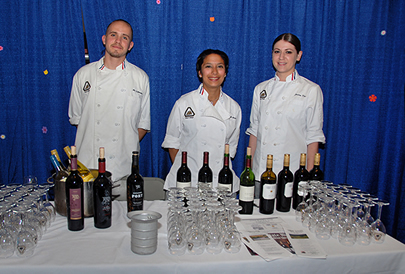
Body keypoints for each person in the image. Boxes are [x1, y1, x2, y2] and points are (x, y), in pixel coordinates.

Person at [68, 19, 150, 197]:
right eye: (114, 35)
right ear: (104, 39)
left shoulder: (140, 78)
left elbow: (143, 124)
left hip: (123, 170)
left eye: (124, 37)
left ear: (130, 45)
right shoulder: (83, 75)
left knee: (123, 221)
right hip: (87, 170)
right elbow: (77, 119)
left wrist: (123, 144)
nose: (118, 41)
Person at [246, 33, 325, 197]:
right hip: (260, 172)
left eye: (288, 52)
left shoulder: (310, 90)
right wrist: (249, 169)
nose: (281, 57)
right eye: (277, 51)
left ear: (299, 56)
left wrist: (307, 180)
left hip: (291, 174)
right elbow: (254, 132)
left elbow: (313, 137)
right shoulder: (261, 89)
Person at [162, 49, 242, 192]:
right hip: (187, 181)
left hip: (220, 181)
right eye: (208, 66)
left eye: (220, 66)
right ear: (200, 72)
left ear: (225, 72)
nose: (214, 72)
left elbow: (230, 149)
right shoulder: (184, 103)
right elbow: (172, 142)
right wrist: (185, 171)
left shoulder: (234, 108)